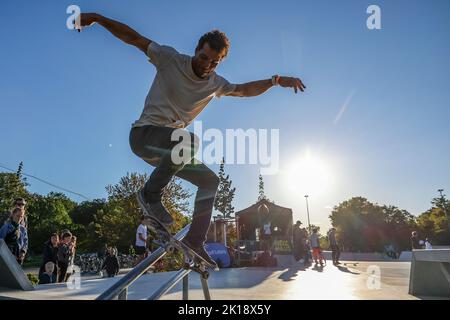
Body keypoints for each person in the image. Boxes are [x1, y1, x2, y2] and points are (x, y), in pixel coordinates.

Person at [76, 13, 306, 266]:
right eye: (204, 57)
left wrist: (273, 82)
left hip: (169, 150)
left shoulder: (215, 83)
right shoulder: (170, 58)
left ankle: (195, 241)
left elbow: (243, 90)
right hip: (144, 135)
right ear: (196, 50)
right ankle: (150, 195)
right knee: (190, 142)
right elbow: (134, 38)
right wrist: (97, 18)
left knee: (210, 180)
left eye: (214, 62)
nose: (207, 65)